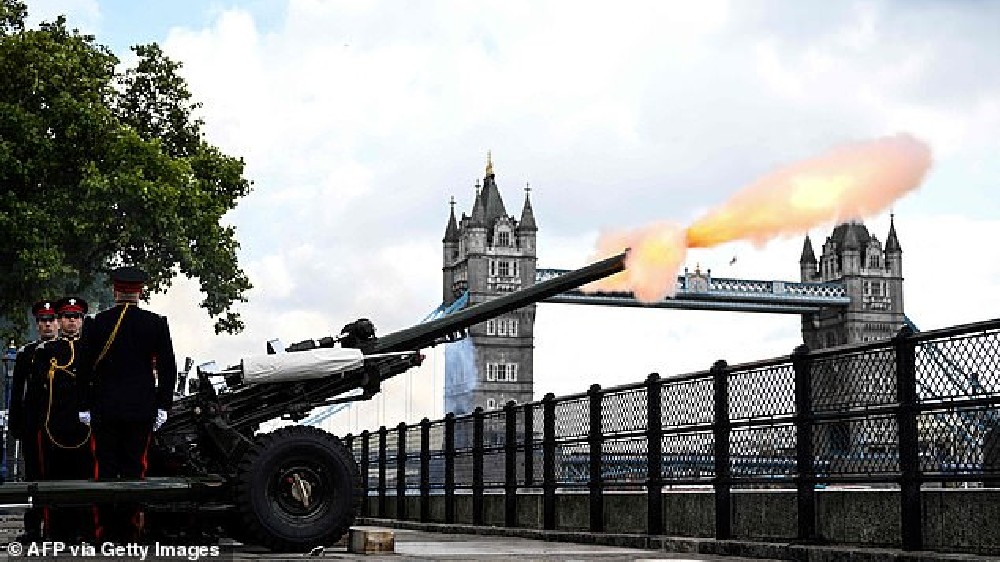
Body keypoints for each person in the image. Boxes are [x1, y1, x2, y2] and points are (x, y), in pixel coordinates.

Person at [77, 267, 177, 543]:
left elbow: (84, 368)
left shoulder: (97, 323)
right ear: (140, 292)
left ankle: (105, 532)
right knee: (135, 469)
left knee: (105, 470)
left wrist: (84, 406)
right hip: (140, 410)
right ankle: (131, 531)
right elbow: (168, 368)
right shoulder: (156, 323)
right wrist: (163, 405)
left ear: (115, 290)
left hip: (104, 409)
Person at [31, 296, 94, 542]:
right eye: (67, 317)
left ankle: (83, 530)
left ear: (82, 321)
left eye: (76, 317)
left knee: (84, 478)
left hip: (83, 426)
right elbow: (37, 390)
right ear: (60, 320)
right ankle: (57, 531)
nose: (72, 321)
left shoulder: (90, 349)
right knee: (54, 479)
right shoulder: (47, 351)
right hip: (53, 425)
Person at [7, 300, 60, 542]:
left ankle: (59, 527)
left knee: (60, 475)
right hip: (34, 424)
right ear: (37, 324)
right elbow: (18, 392)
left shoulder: (67, 350)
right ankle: (33, 527)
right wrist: (16, 424)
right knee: (34, 477)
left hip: (61, 425)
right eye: (42, 321)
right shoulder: (27, 353)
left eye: (51, 320)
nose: (47, 325)